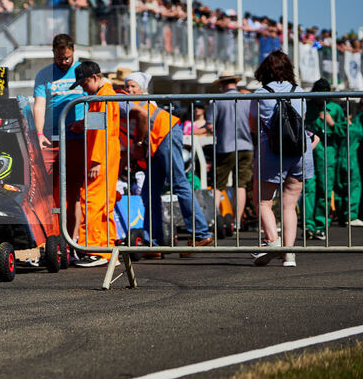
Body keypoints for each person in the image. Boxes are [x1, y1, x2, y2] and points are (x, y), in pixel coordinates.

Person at [123, 72, 214, 253]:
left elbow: (142, 120)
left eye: (133, 86)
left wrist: (138, 145)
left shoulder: (131, 102)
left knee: (179, 182)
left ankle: (201, 234)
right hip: (155, 142)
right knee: (150, 191)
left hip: (165, 135)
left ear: (142, 89)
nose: (129, 89)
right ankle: (153, 243)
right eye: (127, 86)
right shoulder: (131, 101)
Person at [250, 51, 314, 267]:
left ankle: (274, 241)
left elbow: (253, 125)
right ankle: (290, 255)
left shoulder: (260, 93)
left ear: (264, 70)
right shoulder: (300, 92)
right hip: (299, 152)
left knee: (263, 201)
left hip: (271, 151)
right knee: (289, 205)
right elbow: (301, 120)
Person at [67, 61, 120, 267]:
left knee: (91, 200)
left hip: (101, 158)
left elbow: (101, 133)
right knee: (105, 204)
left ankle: (96, 249)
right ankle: (107, 248)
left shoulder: (102, 98)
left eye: (84, 83)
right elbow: (101, 127)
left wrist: (95, 161)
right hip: (108, 156)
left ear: (96, 78)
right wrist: (82, 125)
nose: (82, 88)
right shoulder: (104, 96)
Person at [33, 34, 86, 242]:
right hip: (53, 138)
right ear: (53, 53)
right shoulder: (44, 74)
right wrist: (38, 134)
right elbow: (39, 104)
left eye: (67, 58)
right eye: (59, 58)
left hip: (78, 138)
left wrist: (84, 123)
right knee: (53, 194)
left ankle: (74, 240)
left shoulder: (83, 70)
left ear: (73, 52)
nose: (63, 62)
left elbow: (97, 99)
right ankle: (55, 240)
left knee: (75, 192)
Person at [205, 72, 254, 231]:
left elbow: (210, 126)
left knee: (218, 185)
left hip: (225, 146)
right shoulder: (247, 100)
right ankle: (237, 221)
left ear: (221, 84)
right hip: (246, 146)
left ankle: (216, 219)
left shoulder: (217, 100)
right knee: (241, 185)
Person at [305, 78, 345, 240]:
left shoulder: (335, 108)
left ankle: (321, 225)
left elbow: (345, 132)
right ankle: (308, 225)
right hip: (309, 150)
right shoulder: (306, 106)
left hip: (328, 153)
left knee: (325, 190)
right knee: (308, 188)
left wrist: (332, 124)